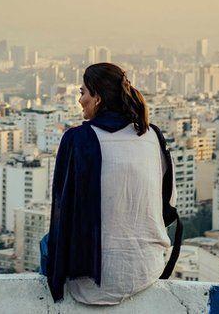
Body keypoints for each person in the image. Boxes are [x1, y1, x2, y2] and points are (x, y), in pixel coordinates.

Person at [45, 63, 178, 305]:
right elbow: (169, 203)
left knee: (47, 244)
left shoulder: (78, 140)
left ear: (97, 97)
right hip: (148, 268)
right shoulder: (152, 136)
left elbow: (62, 211)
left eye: (82, 92)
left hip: (91, 283)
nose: (79, 99)